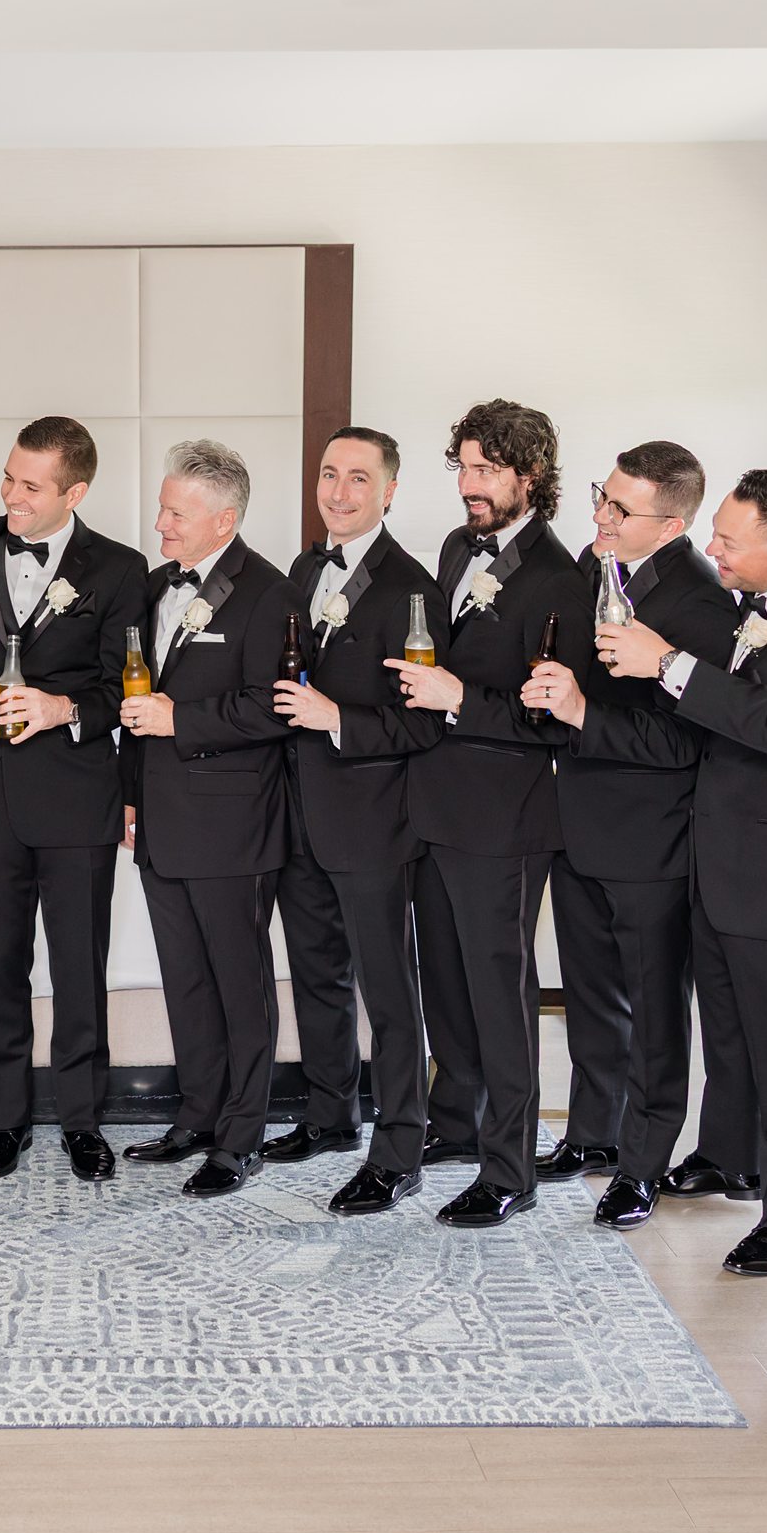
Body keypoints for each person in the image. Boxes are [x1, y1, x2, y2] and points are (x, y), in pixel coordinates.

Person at [550, 467, 767, 1275]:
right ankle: (729, 1157)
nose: (713, 551)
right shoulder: (756, 606)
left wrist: (666, 664)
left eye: (730, 542)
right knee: (731, 1031)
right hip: (722, 855)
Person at [390, 399, 592, 1229]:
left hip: (506, 817)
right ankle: (455, 1122)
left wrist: (456, 697)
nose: (468, 486)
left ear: (528, 477)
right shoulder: (454, 547)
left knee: (499, 993)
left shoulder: (560, 578)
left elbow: (550, 718)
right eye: (463, 468)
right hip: (432, 804)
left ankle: (509, 1168)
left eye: (484, 471)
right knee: (445, 980)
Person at [538, 443, 737, 1230]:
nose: (601, 517)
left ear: (674, 522)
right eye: (603, 498)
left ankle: (643, 1164)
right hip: (579, 822)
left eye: (621, 509)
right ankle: (591, 1134)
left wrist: (583, 713)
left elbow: (685, 743)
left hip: (653, 842)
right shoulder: (600, 570)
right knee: (592, 997)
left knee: (654, 1009)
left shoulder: (703, 604)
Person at [0, 417, 147, 1182]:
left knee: (77, 968)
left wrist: (64, 710)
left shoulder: (122, 569)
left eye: (30, 487)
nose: (10, 497)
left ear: (76, 492)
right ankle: (5, 1119)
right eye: (6, 478)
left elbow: (123, 685)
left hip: (75, 801)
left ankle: (83, 1120)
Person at [118, 439, 306, 1198]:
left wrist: (181, 720)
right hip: (159, 820)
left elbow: (277, 705)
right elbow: (137, 702)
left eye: (175, 512)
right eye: (162, 508)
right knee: (185, 981)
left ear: (224, 518)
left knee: (239, 983)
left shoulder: (270, 593)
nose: (159, 524)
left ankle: (241, 1136)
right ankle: (196, 1115)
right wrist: (132, 795)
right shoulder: (157, 584)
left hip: (233, 826)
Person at [266, 426, 444, 1214]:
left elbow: (425, 724)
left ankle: (400, 1145)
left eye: (358, 479)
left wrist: (336, 716)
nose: (338, 492)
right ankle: (330, 1113)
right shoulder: (304, 567)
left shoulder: (414, 588)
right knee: (316, 974)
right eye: (329, 474)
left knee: (387, 990)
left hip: (373, 820)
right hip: (298, 810)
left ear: (389, 492)